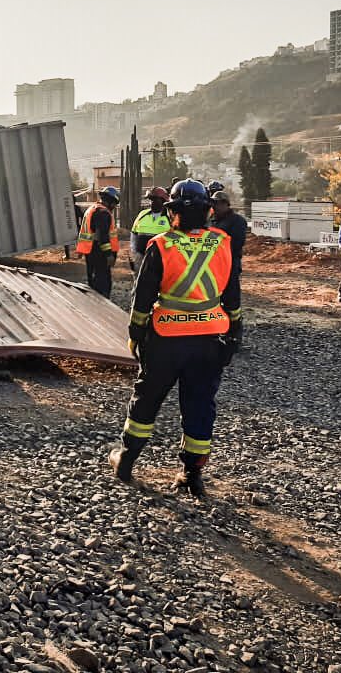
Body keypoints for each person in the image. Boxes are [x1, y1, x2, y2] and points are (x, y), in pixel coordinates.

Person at [109, 179, 242, 498]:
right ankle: (192, 475)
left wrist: (135, 335)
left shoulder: (161, 244)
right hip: (211, 339)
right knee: (199, 406)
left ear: (173, 212)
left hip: (165, 339)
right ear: (207, 211)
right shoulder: (222, 242)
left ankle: (126, 462)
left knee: (147, 400)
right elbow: (233, 294)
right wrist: (235, 332)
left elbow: (142, 298)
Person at [209, 190, 247, 325]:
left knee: (231, 296)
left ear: (226, 204)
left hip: (230, 264)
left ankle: (234, 325)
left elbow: (236, 244)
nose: (214, 207)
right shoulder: (211, 221)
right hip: (212, 266)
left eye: (217, 204)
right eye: (212, 204)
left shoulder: (237, 221)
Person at [75, 186, 120, 298]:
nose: (114, 207)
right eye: (114, 203)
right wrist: (109, 254)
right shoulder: (103, 213)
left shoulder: (92, 209)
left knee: (93, 280)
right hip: (99, 254)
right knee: (102, 284)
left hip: (91, 251)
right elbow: (102, 236)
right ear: (110, 201)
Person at [129, 187, 170, 271]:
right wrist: (133, 252)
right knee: (138, 279)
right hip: (140, 255)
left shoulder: (169, 217)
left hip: (161, 257)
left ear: (163, 201)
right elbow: (134, 234)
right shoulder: (142, 214)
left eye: (155, 200)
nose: (152, 202)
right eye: (151, 200)